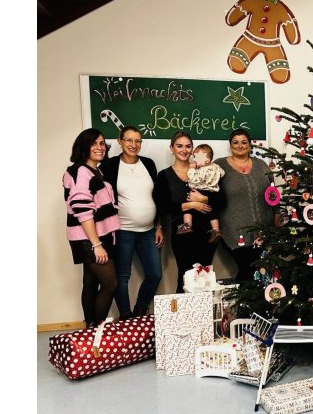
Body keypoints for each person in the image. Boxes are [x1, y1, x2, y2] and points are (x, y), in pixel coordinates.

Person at [99, 126, 163, 320]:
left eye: (138, 141)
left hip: (148, 231)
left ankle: (139, 310)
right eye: (129, 140)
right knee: (122, 278)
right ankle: (126, 316)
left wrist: (159, 226)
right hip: (122, 230)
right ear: (120, 141)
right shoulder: (109, 166)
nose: (133, 145)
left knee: (154, 274)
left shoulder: (149, 164)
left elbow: (157, 197)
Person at [62, 128, 120, 328]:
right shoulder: (79, 171)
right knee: (111, 283)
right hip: (89, 238)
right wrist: (96, 244)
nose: (99, 147)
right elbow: (82, 209)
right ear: (83, 146)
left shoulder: (96, 171)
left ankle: (91, 328)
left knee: (91, 283)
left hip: (98, 236)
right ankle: (97, 329)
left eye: (102, 143)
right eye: (94, 143)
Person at [154, 131, 226, 293]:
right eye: (179, 146)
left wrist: (204, 200)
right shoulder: (164, 176)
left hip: (208, 232)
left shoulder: (208, 171)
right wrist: (191, 205)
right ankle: (183, 317)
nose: (184, 150)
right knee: (186, 275)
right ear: (172, 148)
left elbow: (222, 201)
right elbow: (163, 206)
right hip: (183, 232)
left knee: (205, 277)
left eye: (188, 146)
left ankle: (203, 316)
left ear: (193, 150)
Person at [215, 129, 276, 281]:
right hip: (233, 230)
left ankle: (254, 303)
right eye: (235, 142)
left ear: (249, 145)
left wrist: (278, 213)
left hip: (263, 230)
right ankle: (241, 302)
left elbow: (273, 193)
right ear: (230, 145)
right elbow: (210, 192)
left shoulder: (261, 165)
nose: (240, 146)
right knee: (247, 269)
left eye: (244, 142)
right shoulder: (219, 165)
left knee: (260, 271)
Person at [179, 143, 225, 244]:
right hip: (212, 191)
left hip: (200, 190)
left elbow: (195, 180)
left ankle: (187, 225)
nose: (194, 161)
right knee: (212, 212)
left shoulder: (201, 170)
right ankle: (216, 230)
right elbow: (222, 173)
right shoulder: (217, 167)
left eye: (197, 158)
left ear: (207, 160)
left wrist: (191, 169)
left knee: (188, 207)